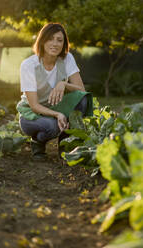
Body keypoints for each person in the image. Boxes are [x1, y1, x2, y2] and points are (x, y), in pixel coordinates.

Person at [16, 23, 92, 160]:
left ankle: (65, 144)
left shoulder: (67, 59)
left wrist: (64, 84)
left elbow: (81, 91)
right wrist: (58, 114)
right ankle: (37, 142)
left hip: (56, 107)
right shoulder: (29, 65)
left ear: (64, 44)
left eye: (59, 40)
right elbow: (34, 105)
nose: (55, 43)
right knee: (51, 126)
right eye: (50, 39)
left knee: (82, 99)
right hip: (32, 115)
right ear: (42, 40)